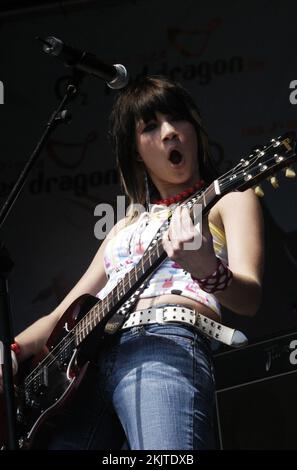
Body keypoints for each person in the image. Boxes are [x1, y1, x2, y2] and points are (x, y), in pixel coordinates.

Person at [0, 75, 264, 450]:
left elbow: (249, 298)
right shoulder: (124, 226)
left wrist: (208, 269)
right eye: (151, 126)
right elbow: (59, 315)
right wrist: (11, 352)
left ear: (195, 129)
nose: (169, 132)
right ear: (136, 150)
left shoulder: (229, 199)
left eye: (177, 119)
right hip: (83, 372)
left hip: (163, 343)